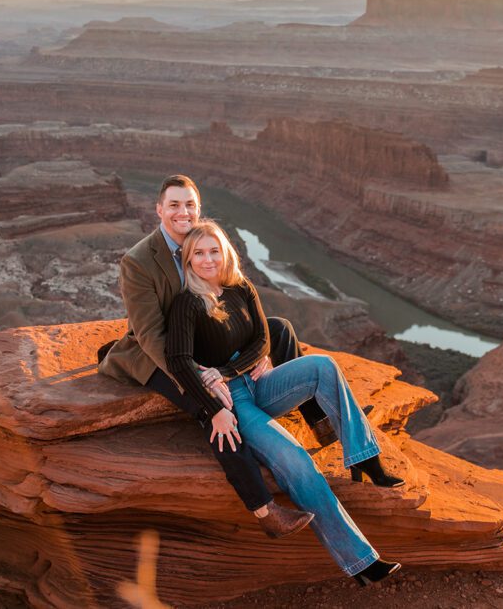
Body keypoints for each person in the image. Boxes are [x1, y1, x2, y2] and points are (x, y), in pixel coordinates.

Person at [165, 219, 403, 586]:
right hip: (234, 401)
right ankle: (362, 564)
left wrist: (228, 369)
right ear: (188, 259)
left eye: (214, 251)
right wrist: (214, 409)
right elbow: (179, 360)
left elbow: (263, 339)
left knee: (323, 366)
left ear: (225, 253)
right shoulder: (187, 303)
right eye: (199, 253)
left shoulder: (240, 288)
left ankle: (365, 457)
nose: (208, 259)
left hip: (258, 382)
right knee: (298, 462)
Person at [98, 174, 331, 539]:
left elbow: (234, 298)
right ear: (158, 209)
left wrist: (257, 352)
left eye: (189, 204)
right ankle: (263, 509)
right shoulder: (138, 261)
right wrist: (197, 376)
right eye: (174, 205)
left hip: (206, 340)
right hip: (160, 353)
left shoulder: (203, 242)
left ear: (199, 208)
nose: (183, 212)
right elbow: (151, 335)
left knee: (280, 329)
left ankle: (318, 420)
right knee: (215, 409)